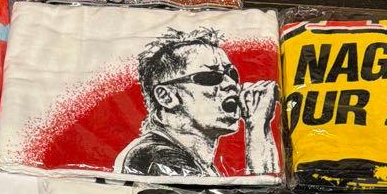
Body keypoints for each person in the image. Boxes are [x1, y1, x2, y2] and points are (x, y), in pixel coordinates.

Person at [115, 27, 277, 178]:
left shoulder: (201, 165)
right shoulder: (153, 154)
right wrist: (257, 126)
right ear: (166, 97)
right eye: (210, 77)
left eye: (232, 74)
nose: (231, 84)